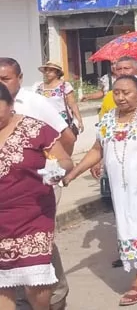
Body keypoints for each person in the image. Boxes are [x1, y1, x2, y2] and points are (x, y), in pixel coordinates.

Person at [63, 75, 137, 306]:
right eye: (116, 92)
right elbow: (97, 150)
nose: (120, 97)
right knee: (130, 227)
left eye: (126, 92)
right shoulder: (108, 119)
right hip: (121, 189)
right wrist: (73, 173)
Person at [0, 59, 71, 310]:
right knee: (3, 283)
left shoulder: (35, 127)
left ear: (11, 105)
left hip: (34, 214)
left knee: (35, 282)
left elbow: (64, 158)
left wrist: (58, 171)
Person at [34, 62, 83, 137]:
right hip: (44, 122)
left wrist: (79, 120)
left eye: (50, 70)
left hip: (61, 122)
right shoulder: (39, 87)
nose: (47, 72)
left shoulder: (64, 86)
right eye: (46, 70)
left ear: (57, 72)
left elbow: (72, 104)